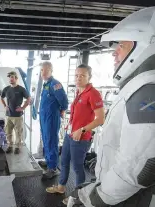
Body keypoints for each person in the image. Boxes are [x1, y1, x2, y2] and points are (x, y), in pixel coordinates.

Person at [67, 5, 155, 207]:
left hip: (136, 201)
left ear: (144, 46)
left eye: (121, 46)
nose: (114, 53)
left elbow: (145, 167)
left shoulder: (154, 89)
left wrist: (95, 198)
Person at [46, 64, 105, 205]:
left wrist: (82, 130)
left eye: (82, 75)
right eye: (77, 75)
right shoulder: (79, 91)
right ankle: (61, 187)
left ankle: (79, 196)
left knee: (78, 167)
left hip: (81, 137)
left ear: (89, 77)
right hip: (70, 134)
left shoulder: (93, 93)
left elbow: (101, 119)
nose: (78, 78)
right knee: (64, 161)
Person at [39, 61, 69, 179]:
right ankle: (48, 160)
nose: (43, 72)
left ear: (51, 71)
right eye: (42, 70)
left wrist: (63, 109)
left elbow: (63, 99)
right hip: (44, 117)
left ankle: (53, 168)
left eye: (46, 70)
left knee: (51, 140)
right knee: (46, 139)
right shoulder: (46, 84)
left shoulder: (55, 84)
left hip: (51, 117)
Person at [1, 71, 31, 154]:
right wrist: (5, 106)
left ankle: (17, 147)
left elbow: (28, 99)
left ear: (16, 78)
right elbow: (1, 97)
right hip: (9, 115)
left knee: (18, 133)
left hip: (18, 116)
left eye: (12, 77)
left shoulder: (21, 89)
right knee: (8, 132)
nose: (11, 79)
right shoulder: (6, 89)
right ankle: (10, 146)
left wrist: (23, 108)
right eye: (10, 77)